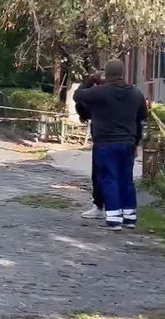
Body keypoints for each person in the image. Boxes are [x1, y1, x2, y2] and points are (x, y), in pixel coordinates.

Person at [74, 59, 147, 231]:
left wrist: (91, 79)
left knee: (109, 179)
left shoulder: (99, 92)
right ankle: (130, 218)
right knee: (126, 180)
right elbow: (142, 116)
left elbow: (77, 95)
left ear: (106, 73)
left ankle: (114, 219)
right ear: (123, 73)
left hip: (106, 144)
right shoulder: (136, 93)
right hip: (128, 143)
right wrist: (136, 142)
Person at [76, 71, 106, 219]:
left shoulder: (96, 94)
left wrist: (90, 80)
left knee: (100, 175)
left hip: (103, 140)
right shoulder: (129, 92)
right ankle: (123, 211)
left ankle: (99, 206)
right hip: (124, 141)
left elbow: (78, 95)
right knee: (120, 176)